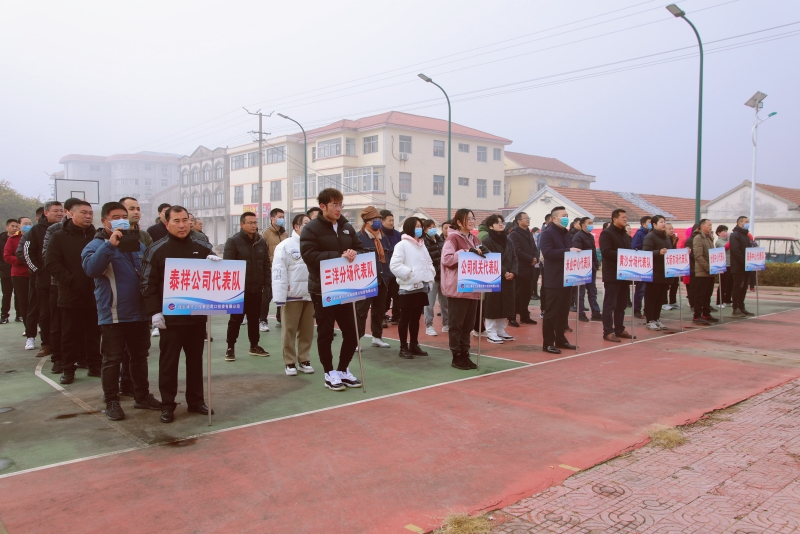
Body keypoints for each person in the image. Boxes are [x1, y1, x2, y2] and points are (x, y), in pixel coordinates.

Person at [82, 202, 161, 420]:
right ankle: (112, 401)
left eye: (124, 216)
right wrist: (109, 246)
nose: (122, 221)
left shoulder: (137, 244)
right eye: (116, 217)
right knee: (112, 359)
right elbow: (92, 269)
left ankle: (142, 395)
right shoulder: (95, 246)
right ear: (104, 221)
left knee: (139, 357)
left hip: (140, 312)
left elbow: (150, 270)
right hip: (114, 313)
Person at [141, 205, 216, 423]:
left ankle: (196, 400)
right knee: (169, 363)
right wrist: (154, 312)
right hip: (170, 319)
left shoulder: (203, 248)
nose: (182, 225)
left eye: (185, 220)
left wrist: (217, 264)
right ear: (166, 224)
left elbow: (215, 279)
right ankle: (167, 404)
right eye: (176, 221)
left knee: (195, 361)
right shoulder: (156, 250)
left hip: (196, 316)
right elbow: (147, 283)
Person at [300, 188, 365, 391]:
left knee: (352, 332)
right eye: (334, 205)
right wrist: (339, 256)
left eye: (340, 204)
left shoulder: (346, 227)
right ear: (323, 206)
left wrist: (354, 252)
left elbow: (360, 248)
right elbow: (309, 255)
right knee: (326, 333)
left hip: (346, 288)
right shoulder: (311, 228)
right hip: (323, 289)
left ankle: (343, 369)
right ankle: (329, 373)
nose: (338, 209)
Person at [45, 201, 101, 383]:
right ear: (71, 214)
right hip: (71, 293)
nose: (88, 216)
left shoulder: (96, 236)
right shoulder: (59, 236)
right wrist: (71, 281)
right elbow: (52, 263)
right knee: (69, 334)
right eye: (84, 212)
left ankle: (95, 365)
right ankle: (68, 369)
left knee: (94, 332)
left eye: (90, 213)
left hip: (94, 293)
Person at [222, 212, 270, 361]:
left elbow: (266, 266)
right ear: (242, 224)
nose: (254, 225)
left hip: (256, 289)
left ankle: (254, 346)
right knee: (235, 320)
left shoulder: (261, 242)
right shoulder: (233, 242)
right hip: (239, 291)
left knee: (254, 319)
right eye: (250, 223)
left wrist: (267, 286)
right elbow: (228, 267)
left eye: (255, 222)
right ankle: (230, 347)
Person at [273, 214, 315, 375]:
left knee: (307, 331)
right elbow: (278, 272)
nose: (309, 227)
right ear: (296, 226)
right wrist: (280, 297)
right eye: (306, 223)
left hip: (310, 295)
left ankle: (304, 359)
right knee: (289, 330)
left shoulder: (314, 244)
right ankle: (289, 362)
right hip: (292, 296)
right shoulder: (285, 246)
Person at [389, 217, 435, 359]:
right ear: (409, 227)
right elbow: (395, 265)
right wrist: (410, 274)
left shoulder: (421, 245)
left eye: (420, 225)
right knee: (405, 318)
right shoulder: (402, 245)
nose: (419, 228)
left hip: (421, 287)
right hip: (408, 288)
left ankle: (414, 344)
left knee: (416, 319)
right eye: (416, 226)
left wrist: (430, 275)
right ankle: (403, 347)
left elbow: (429, 262)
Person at [440, 209, 481, 370]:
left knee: (468, 325)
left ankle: (465, 353)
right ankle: (456, 355)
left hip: (473, 286)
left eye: (473, 218)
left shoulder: (475, 239)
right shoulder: (453, 238)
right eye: (468, 219)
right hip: (458, 288)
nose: (471, 221)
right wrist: (465, 252)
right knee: (456, 325)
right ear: (458, 222)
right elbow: (447, 260)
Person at [21, 201, 64, 355]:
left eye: (61, 210)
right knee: (45, 314)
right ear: (46, 213)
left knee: (63, 314)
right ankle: (46, 344)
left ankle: (64, 345)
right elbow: (28, 254)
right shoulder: (35, 230)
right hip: (43, 281)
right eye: (55, 211)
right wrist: (40, 271)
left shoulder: (66, 228)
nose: (59, 213)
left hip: (63, 280)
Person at [538, 206, 579, 354]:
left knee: (563, 312)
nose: (566, 218)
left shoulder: (566, 234)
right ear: (554, 218)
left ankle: (560, 339)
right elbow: (548, 253)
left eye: (567, 215)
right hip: (554, 279)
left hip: (567, 278)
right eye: (563, 216)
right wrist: (568, 251)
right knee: (551, 313)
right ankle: (548, 342)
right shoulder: (547, 233)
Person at [355, 206, 392, 348]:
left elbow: (388, 256)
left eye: (379, 219)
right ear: (367, 221)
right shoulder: (359, 237)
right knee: (361, 311)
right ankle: (356, 340)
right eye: (374, 219)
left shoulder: (383, 237)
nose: (377, 221)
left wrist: (388, 275)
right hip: (366, 281)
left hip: (382, 279)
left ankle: (377, 336)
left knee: (379, 309)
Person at [599, 209, 635, 342]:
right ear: (614, 219)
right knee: (610, 304)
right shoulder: (606, 234)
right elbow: (606, 252)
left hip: (625, 274)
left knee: (622, 304)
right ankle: (608, 331)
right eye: (623, 217)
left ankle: (619, 329)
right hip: (612, 274)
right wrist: (624, 255)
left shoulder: (625, 235)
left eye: (626, 217)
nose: (625, 219)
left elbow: (629, 252)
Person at [482, 214, 518, 344]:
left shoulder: (509, 240)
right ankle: (491, 331)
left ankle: (501, 330)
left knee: (506, 304)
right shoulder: (487, 241)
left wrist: (513, 271)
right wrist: (504, 272)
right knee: (493, 304)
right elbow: (488, 257)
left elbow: (514, 257)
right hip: (494, 276)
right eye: (497, 222)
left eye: (502, 222)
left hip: (508, 278)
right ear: (491, 226)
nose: (501, 224)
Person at [642, 215, 673, 331]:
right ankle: (649, 320)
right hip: (653, 273)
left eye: (664, 222)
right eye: (661, 222)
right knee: (651, 297)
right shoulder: (650, 237)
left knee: (660, 298)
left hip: (665, 272)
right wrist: (658, 252)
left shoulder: (666, 237)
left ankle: (656, 318)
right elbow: (645, 253)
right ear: (654, 224)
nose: (663, 224)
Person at [259, 208, 287, 332]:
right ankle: (262, 320)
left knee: (282, 293)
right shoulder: (265, 233)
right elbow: (263, 252)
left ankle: (280, 318)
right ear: (272, 218)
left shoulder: (285, 234)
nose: (282, 219)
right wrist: (268, 267)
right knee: (267, 295)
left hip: (283, 269)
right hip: (270, 269)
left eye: (283, 217)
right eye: (279, 217)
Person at [508, 212, 538, 326]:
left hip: (530, 268)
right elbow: (517, 250)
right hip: (519, 269)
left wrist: (535, 258)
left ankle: (525, 317)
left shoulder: (528, 233)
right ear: (519, 221)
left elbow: (535, 248)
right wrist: (530, 259)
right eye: (525, 218)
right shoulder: (514, 234)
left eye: (528, 218)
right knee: (517, 294)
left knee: (527, 294)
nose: (528, 220)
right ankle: (512, 318)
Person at [572, 217, 602, 322]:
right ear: (582, 225)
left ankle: (596, 312)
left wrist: (595, 263)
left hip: (592, 267)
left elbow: (593, 251)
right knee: (581, 292)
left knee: (592, 291)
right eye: (589, 223)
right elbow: (577, 253)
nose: (591, 225)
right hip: (582, 268)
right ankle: (581, 313)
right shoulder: (578, 236)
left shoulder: (590, 236)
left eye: (591, 223)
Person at [422, 218, 448, 336]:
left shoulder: (441, 240)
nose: (432, 229)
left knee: (445, 302)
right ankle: (429, 325)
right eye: (429, 227)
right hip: (431, 278)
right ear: (425, 230)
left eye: (434, 227)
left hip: (443, 276)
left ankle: (446, 324)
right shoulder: (423, 243)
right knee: (429, 303)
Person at [691, 219, 719, 325]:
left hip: (711, 271)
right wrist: (708, 268)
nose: (711, 227)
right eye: (709, 225)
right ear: (702, 226)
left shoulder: (709, 237)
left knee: (708, 294)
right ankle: (697, 315)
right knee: (700, 295)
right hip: (702, 272)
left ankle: (706, 314)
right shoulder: (698, 238)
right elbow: (698, 256)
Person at [4, 219, 29, 334]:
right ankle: (28, 327)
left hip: (35, 274)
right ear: (20, 225)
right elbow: (7, 256)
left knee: (37, 301)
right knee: (23, 301)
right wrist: (22, 260)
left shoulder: (34, 236)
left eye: (29, 224)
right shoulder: (12, 239)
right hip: (19, 274)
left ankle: (40, 325)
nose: (27, 226)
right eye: (25, 224)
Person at [729, 216, 755, 317]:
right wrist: (744, 261)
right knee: (738, 287)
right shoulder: (735, 235)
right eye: (746, 221)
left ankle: (741, 307)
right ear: (740, 223)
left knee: (744, 288)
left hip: (746, 266)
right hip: (738, 266)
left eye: (748, 221)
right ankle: (735, 308)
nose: (747, 223)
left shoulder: (746, 235)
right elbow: (735, 250)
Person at [381, 210, 401, 325]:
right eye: (390, 220)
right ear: (382, 221)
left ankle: (396, 316)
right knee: (385, 295)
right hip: (384, 270)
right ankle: (382, 316)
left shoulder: (398, 235)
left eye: (393, 220)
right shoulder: (379, 235)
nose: (392, 222)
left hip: (396, 270)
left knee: (397, 294)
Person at [631, 216, 651, 319]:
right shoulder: (639, 234)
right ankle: (637, 310)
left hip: (650, 265)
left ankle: (647, 310)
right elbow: (635, 248)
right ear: (643, 224)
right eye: (649, 222)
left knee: (648, 290)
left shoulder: (651, 234)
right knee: (640, 289)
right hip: (642, 265)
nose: (651, 224)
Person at [0, 219, 20, 324]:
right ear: (7, 227)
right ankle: (4, 316)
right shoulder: (1, 240)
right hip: (6, 272)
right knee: (6, 295)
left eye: (16, 226)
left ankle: (19, 315)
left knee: (19, 294)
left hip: (18, 272)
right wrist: (2, 267)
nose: (15, 228)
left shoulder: (20, 239)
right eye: (12, 226)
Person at [715, 225, 732, 309]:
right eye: (724, 231)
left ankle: (728, 300)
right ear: (718, 233)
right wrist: (732, 239)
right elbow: (726, 247)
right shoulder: (718, 241)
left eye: (726, 231)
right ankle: (719, 301)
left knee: (730, 284)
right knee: (723, 284)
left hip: (731, 264)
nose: (726, 233)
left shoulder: (728, 239)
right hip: (723, 265)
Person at [663, 223, 680, 310]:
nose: (671, 230)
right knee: (665, 285)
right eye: (669, 229)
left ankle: (673, 301)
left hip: (673, 265)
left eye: (672, 228)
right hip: (665, 266)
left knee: (675, 283)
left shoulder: (674, 239)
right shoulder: (662, 239)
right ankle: (664, 302)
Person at [530, 227, 541, 300]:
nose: (538, 233)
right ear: (533, 232)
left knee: (536, 279)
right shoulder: (532, 240)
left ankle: (535, 293)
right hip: (532, 263)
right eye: (537, 232)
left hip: (538, 263)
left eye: (539, 232)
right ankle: (531, 293)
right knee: (532, 280)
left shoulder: (539, 240)